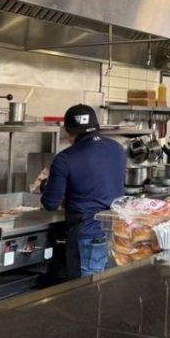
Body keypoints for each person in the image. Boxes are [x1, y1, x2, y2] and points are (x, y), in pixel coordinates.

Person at [38, 104, 126, 280]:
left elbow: (50, 203)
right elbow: (99, 183)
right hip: (117, 232)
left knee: (84, 294)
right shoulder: (117, 148)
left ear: (69, 131)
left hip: (87, 235)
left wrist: (45, 184)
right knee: (108, 289)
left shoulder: (65, 159)